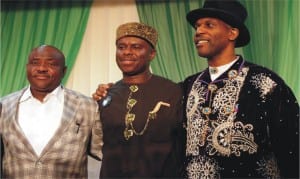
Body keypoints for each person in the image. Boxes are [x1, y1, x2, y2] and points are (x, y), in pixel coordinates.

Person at [93, 1, 299, 178]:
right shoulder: (189, 86)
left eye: (209, 25)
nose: (199, 31)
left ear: (232, 33)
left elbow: (292, 146)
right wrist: (109, 92)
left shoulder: (264, 83)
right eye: (198, 26)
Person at [94, 22, 185, 177]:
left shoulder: (173, 91)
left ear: (152, 54)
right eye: (121, 47)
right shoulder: (106, 95)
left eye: (136, 47)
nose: (127, 52)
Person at [0, 45, 103, 178]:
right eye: (35, 63)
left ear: (64, 71)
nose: (41, 68)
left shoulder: (87, 106)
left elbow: (106, 152)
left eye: (51, 64)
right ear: (27, 67)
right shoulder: (4, 105)